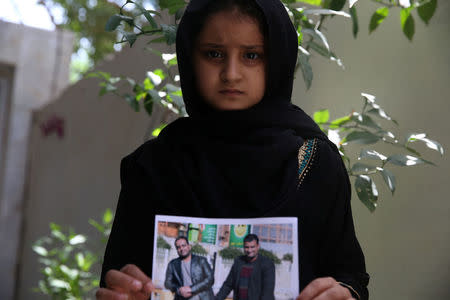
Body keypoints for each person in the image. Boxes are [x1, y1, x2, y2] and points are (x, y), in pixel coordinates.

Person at [96, 0, 370, 300]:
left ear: (276, 60)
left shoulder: (315, 164)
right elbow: (118, 276)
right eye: (214, 54)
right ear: (189, 57)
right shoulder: (152, 166)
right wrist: (124, 290)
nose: (231, 73)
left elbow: (350, 274)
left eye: (252, 55)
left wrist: (344, 293)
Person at [216, 234, 275, 300]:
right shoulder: (238, 262)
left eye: (252, 247)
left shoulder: (267, 264)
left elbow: (267, 293)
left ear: (258, 246)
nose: (249, 250)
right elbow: (228, 285)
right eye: (247, 247)